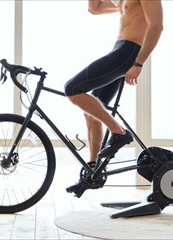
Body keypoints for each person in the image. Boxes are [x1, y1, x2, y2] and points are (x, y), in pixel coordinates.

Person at [64, 0, 163, 192]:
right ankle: (93, 171)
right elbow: (95, 8)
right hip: (119, 49)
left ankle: (119, 133)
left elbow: (157, 26)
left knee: (72, 89)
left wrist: (139, 63)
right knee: (91, 111)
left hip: (129, 51)